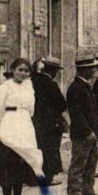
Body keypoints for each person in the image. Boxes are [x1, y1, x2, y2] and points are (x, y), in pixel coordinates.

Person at [0, 58, 44, 195]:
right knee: (8, 166)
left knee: (22, 164)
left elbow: (32, 108)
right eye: (20, 70)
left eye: (26, 71)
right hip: (9, 125)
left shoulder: (29, 87)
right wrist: (4, 126)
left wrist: (24, 120)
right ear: (12, 69)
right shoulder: (4, 87)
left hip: (25, 125)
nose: (23, 73)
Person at [66, 54, 98, 195]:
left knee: (91, 160)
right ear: (83, 70)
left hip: (91, 133)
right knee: (79, 162)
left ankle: (88, 188)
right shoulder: (76, 88)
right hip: (82, 133)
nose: (94, 71)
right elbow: (77, 115)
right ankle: (74, 191)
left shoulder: (85, 86)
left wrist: (96, 131)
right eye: (91, 68)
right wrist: (87, 131)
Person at [31, 55, 67, 186]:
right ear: (53, 70)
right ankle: (48, 177)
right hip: (51, 122)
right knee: (50, 149)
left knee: (37, 147)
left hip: (35, 120)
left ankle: (33, 177)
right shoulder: (51, 84)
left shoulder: (33, 80)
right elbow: (62, 104)